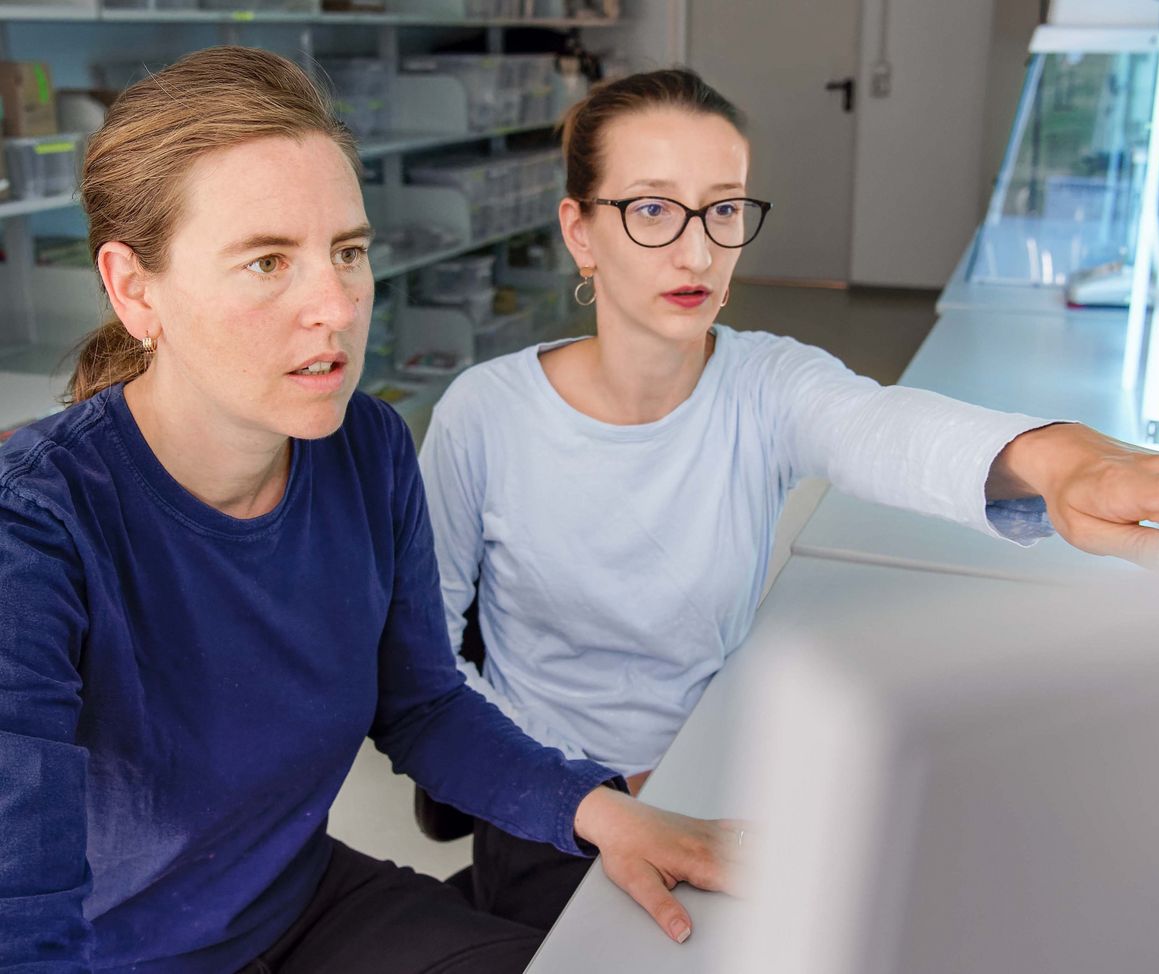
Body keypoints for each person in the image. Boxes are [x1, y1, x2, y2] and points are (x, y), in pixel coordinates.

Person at [417, 68, 1159, 926]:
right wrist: (591, 796)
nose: (699, 252)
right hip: (543, 802)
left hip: (708, 773)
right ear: (581, 231)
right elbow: (427, 664)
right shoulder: (485, 414)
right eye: (652, 209)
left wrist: (1058, 459)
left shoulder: (763, 383)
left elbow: (884, 428)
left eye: (724, 209)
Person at [0, 48, 738, 974]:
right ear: (133, 286)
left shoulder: (368, 449)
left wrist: (605, 815)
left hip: (301, 906)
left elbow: (424, 705)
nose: (337, 306)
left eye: (348, 251)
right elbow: (18, 909)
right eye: (268, 261)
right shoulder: (35, 524)